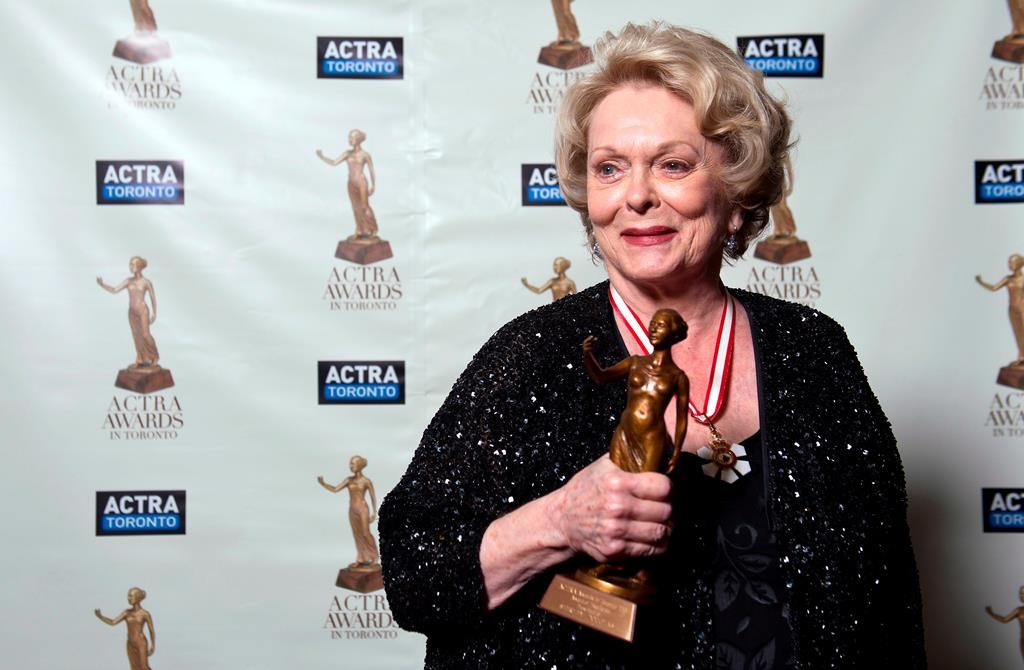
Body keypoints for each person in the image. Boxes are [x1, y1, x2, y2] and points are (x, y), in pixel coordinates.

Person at [379, 22, 925, 669]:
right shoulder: (529, 357)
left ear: (736, 189)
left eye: (673, 164)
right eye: (610, 168)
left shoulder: (812, 349)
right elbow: (416, 572)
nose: (637, 196)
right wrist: (559, 521)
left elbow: (889, 605)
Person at [97, 256, 161, 369]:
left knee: (145, 335)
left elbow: (153, 298)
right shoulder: (128, 281)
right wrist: (102, 284)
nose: (130, 267)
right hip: (131, 312)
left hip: (142, 311)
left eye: (133, 264)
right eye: (130, 264)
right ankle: (141, 358)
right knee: (137, 336)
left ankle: (154, 355)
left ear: (139, 266)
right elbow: (115, 290)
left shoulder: (146, 282)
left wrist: (154, 313)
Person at [318, 455, 380, 568]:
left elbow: (373, 497)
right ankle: (361, 558)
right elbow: (335, 489)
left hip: (363, 509)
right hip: (352, 510)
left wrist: (374, 513)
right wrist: (323, 484)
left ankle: (375, 556)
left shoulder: (366, 481)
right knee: (357, 534)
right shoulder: (348, 480)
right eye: (350, 464)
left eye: (353, 464)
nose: (351, 466)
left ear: (360, 465)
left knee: (365, 533)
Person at [317, 130, 379, 240]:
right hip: (351, 183)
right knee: (356, 208)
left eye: (352, 137)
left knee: (364, 207)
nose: (350, 140)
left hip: (361, 182)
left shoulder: (365, 155)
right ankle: (360, 229)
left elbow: (371, 170)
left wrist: (373, 185)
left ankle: (373, 228)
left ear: (359, 139)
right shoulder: (347, 153)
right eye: (349, 137)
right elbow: (334, 162)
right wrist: (322, 157)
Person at [976, 253, 1024, 366]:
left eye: (1011, 262)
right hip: (1012, 309)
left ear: (1019, 263)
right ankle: (1022, 357)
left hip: (1022, 308)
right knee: (1018, 333)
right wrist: (981, 282)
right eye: (1009, 262)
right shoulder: (1008, 279)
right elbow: (994, 288)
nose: (1009, 264)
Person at [95, 587, 155, 670]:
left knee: (144, 667)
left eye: (131, 596)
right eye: (128, 596)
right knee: (134, 667)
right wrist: (101, 617)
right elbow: (113, 622)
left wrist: (152, 646)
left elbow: (151, 631)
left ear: (137, 597)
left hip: (141, 643)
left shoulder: (145, 614)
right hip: (130, 643)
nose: (129, 598)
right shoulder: (126, 612)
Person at [986, 586, 1024, 661]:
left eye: (1023, 593)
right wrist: (992, 613)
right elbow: (1004, 620)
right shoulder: (1018, 610)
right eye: (1020, 593)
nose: (1021, 596)